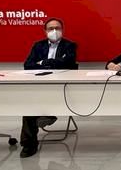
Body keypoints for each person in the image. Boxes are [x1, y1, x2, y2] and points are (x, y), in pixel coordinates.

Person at [19, 18, 78, 158]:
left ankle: (47, 114)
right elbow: (28, 65)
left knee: (39, 105)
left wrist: (42, 62)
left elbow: (68, 63)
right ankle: (29, 144)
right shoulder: (38, 46)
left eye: (57, 28)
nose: (54, 31)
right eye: (51, 28)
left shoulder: (70, 45)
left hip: (62, 87)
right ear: (45, 31)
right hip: (40, 86)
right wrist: (54, 63)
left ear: (62, 30)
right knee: (29, 107)